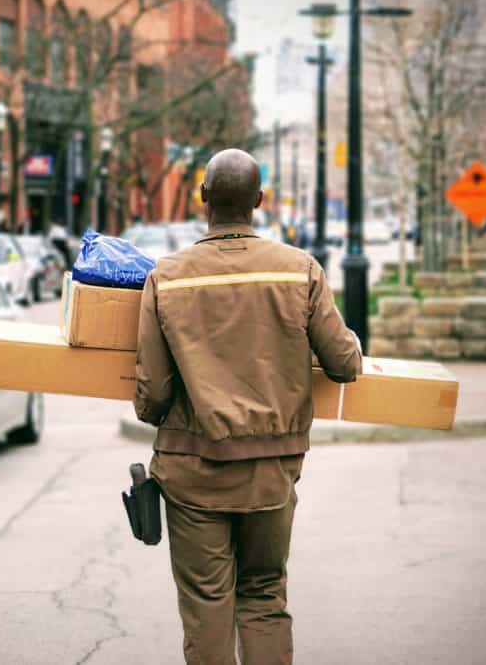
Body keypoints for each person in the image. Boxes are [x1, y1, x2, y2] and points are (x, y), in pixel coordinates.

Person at [134, 149, 362, 665]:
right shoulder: (298, 270)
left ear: (203, 200)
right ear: (259, 201)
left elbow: (152, 394)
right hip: (271, 475)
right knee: (262, 597)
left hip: (193, 473)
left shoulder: (166, 278)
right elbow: (344, 363)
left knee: (208, 607)